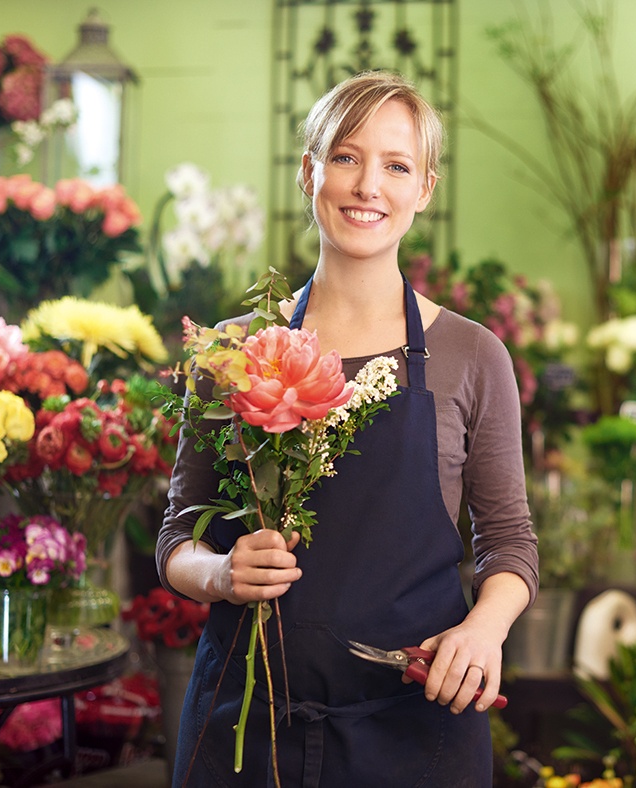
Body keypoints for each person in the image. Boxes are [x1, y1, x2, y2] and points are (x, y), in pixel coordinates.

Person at [156, 70, 539, 787]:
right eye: (345, 157)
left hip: (415, 731)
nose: (368, 185)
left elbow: (510, 542)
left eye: (396, 165)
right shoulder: (233, 353)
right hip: (244, 730)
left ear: (424, 188)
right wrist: (219, 574)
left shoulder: (470, 355)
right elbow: (177, 535)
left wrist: (483, 629)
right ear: (310, 171)